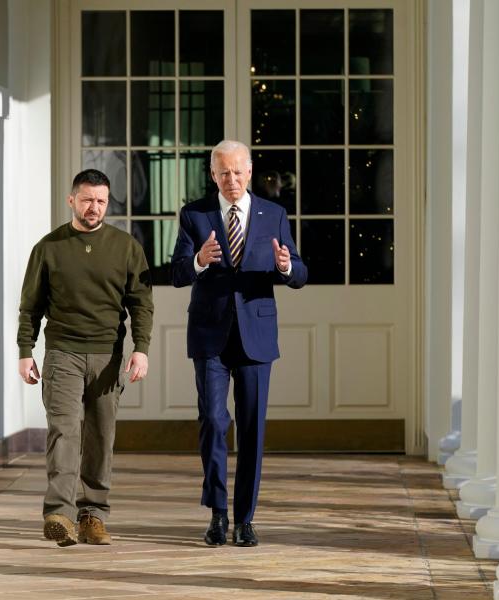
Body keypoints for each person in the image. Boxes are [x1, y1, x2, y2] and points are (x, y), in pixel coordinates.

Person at [171, 140, 307, 547]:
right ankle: (217, 513)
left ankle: (245, 519)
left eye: (238, 172)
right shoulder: (194, 215)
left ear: (249, 173)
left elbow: (299, 272)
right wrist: (198, 260)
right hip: (210, 335)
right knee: (213, 422)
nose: (231, 180)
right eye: (223, 172)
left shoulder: (274, 214)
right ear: (213, 175)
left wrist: (285, 267)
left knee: (252, 429)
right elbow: (177, 272)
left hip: (256, 337)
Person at [17, 169, 154, 547]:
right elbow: (30, 306)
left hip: (108, 357)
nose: (94, 208)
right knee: (64, 431)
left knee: (100, 437)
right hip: (62, 354)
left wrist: (140, 348)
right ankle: (59, 514)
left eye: (101, 201)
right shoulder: (49, 247)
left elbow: (141, 305)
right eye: (87, 200)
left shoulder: (126, 248)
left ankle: (93, 515)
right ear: (71, 200)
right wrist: (25, 351)